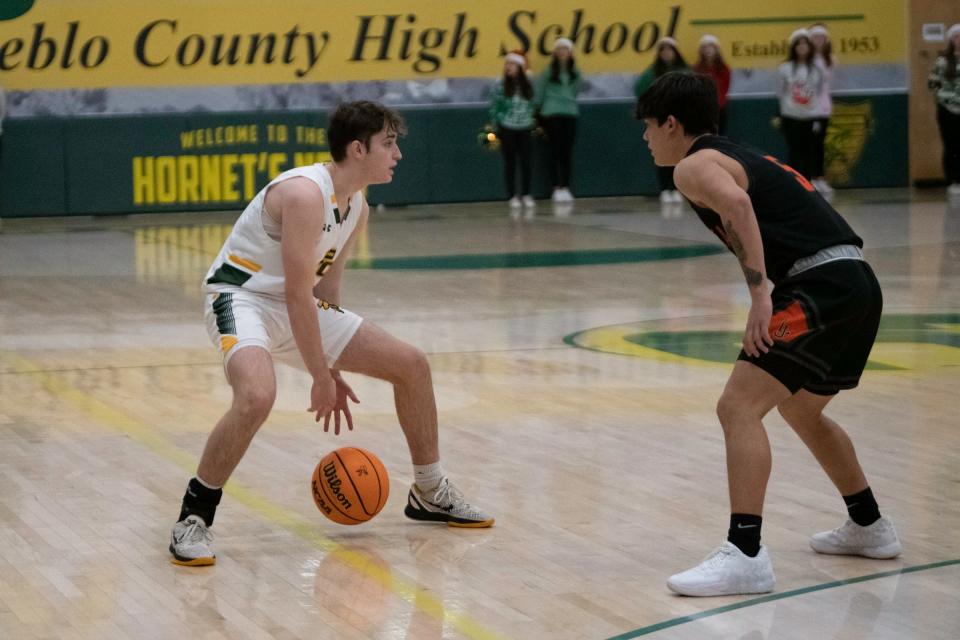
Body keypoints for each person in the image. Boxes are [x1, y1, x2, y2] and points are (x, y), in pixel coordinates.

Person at [169, 101, 494, 567]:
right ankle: (193, 517)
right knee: (257, 396)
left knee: (412, 365)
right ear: (358, 149)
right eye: (389, 143)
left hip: (293, 301)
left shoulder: (357, 205)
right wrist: (320, 375)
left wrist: (334, 362)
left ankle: (429, 490)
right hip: (242, 299)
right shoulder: (304, 194)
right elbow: (300, 295)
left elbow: (325, 293)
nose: (398, 153)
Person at [636, 73, 901, 597]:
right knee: (801, 409)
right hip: (856, 282)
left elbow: (738, 207)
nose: (645, 139)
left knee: (737, 407)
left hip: (819, 285)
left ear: (671, 123)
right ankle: (870, 526)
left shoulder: (694, 164)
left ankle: (746, 553)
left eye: (648, 126)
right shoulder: (732, 152)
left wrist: (760, 298)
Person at [635, 37, 690, 204]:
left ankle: (678, 187)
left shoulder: (684, 72)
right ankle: (665, 189)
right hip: (660, 118)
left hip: (680, 118)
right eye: (663, 50)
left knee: (680, 154)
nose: (666, 53)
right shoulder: (652, 73)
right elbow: (640, 89)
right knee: (662, 153)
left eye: (669, 49)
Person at [776, 29, 827, 187]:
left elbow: (818, 92)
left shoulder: (817, 69)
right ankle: (795, 184)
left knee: (808, 151)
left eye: (805, 44)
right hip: (791, 115)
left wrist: (816, 115)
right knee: (794, 151)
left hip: (810, 116)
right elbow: (780, 91)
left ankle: (808, 183)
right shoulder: (785, 68)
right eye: (799, 44)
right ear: (794, 47)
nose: (802, 47)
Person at [534, 37, 582, 203]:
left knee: (566, 152)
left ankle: (566, 186)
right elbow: (539, 92)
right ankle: (556, 187)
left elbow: (575, 91)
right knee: (554, 151)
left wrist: (568, 102)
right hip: (551, 113)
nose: (562, 53)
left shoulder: (575, 73)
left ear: (570, 53)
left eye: (565, 50)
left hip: (569, 113)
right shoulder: (548, 72)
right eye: (559, 50)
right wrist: (538, 111)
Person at [489, 50, 536, 211]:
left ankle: (526, 194)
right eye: (507, 64)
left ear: (520, 67)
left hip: (525, 127)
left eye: (512, 64)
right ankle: (512, 195)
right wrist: (497, 126)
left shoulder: (528, 84)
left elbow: (533, 103)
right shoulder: (501, 85)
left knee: (526, 162)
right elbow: (495, 107)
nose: (509, 67)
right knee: (510, 162)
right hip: (507, 127)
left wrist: (530, 120)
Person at [929, 23, 960, 199]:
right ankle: (953, 180)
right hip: (948, 109)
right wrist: (943, 99)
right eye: (956, 37)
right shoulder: (943, 61)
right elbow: (932, 84)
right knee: (951, 145)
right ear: (951, 40)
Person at [809, 24, 835, 195]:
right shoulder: (806, 61)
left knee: (820, 145)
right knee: (809, 144)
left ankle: (820, 177)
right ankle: (810, 177)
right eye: (815, 37)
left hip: (824, 108)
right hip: (808, 109)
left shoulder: (829, 60)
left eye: (821, 38)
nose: (819, 41)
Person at [693, 35, 731, 135]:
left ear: (716, 49)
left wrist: (719, 102)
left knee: (718, 135)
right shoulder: (697, 68)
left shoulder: (723, 68)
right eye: (704, 47)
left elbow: (725, 88)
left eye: (711, 47)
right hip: (701, 108)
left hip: (719, 108)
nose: (708, 50)